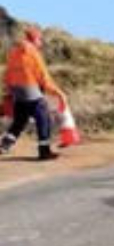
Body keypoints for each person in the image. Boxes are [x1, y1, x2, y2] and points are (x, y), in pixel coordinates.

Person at [0, 26, 67, 161]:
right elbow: (44, 78)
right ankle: (44, 151)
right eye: (40, 40)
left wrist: (9, 91)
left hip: (16, 91)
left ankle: (4, 145)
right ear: (35, 39)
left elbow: (7, 74)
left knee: (20, 120)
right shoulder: (33, 54)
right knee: (43, 118)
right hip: (31, 90)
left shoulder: (14, 52)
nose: (41, 43)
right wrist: (59, 93)